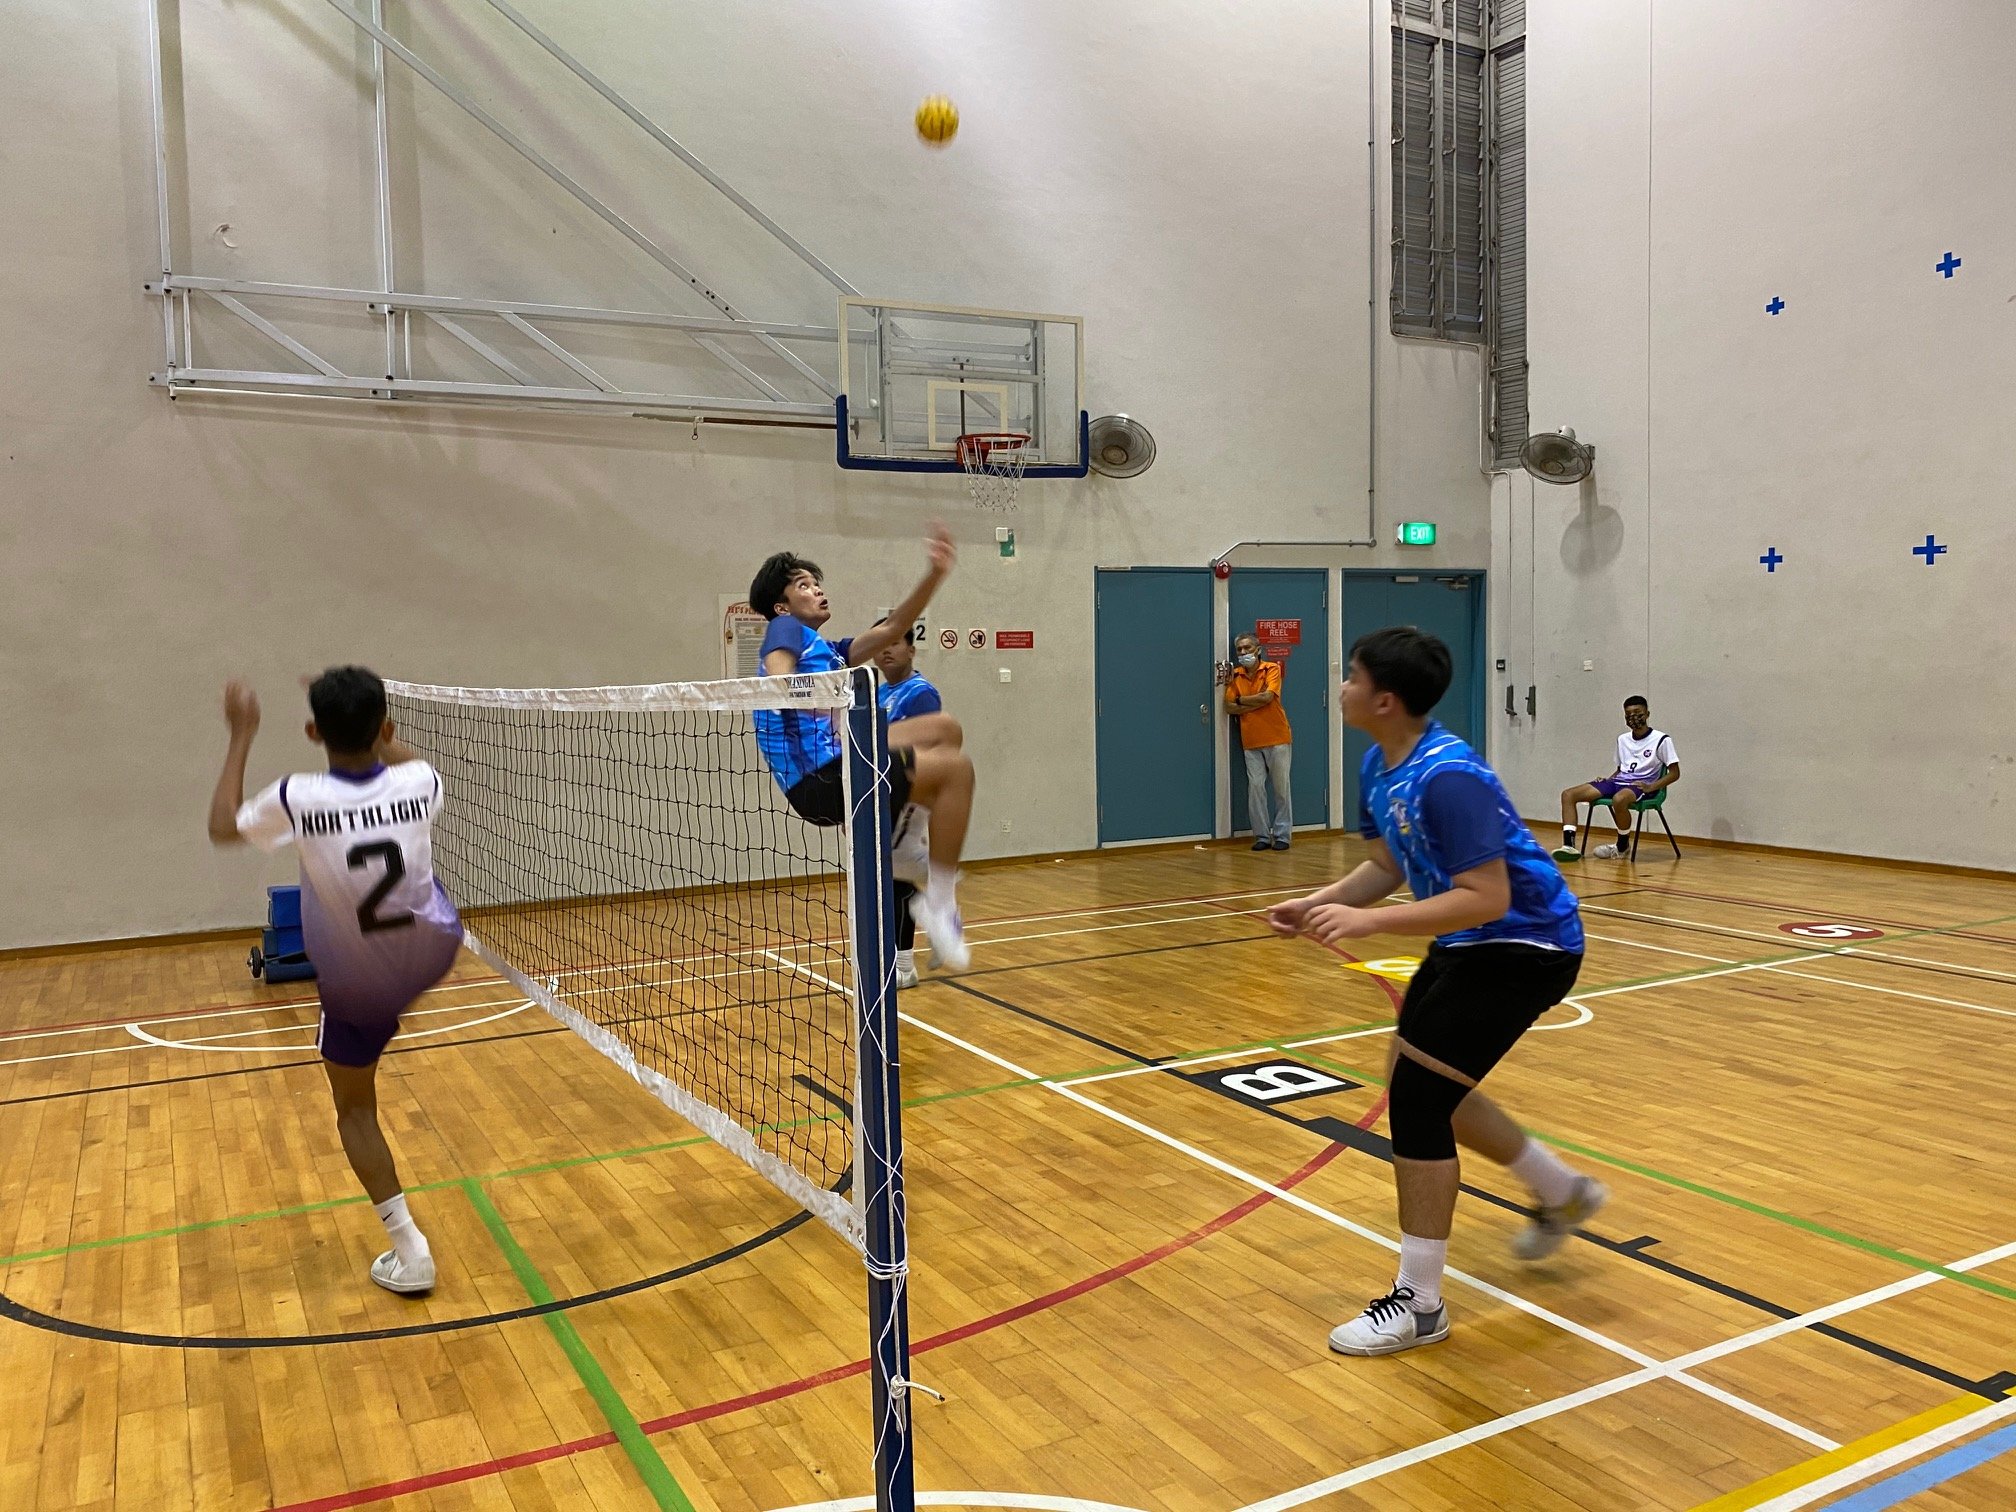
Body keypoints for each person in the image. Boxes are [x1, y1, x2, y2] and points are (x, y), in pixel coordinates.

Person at [1268, 626, 1605, 1358]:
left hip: (1529, 945)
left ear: (1384, 699)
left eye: (1352, 676)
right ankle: (1561, 1192)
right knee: (1415, 1081)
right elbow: (1389, 865)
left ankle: (1419, 1305)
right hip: (1471, 943)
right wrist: (1319, 901)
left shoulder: (1449, 776)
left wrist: (1368, 923)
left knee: (1419, 1102)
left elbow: (1487, 895)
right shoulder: (1379, 763)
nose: (1343, 685)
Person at [208, 667, 463, 1296]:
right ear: (387, 727)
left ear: (312, 731)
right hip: (432, 948)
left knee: (354, 1107)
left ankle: (411, 1252)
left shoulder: (299, 796)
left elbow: (222, 827)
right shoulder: (421, 780)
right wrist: (378, 726)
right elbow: (406, 760)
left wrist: (241, 732)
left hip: (363, 978)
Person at [749, 524, 976, 969]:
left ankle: (905, 847)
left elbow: (894, 626)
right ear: (783, 605)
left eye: (816, 583)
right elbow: (778, 675)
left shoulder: (828, 650)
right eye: (803, 585)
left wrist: (935, 574)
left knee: (945, 730)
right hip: (820, 780)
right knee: (956, 770)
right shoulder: (785, 629)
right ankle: (940, 903)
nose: (817, 590)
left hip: (841, 760)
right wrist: (802, 695)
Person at [873, 619, 942, 989]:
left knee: (901, 882)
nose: (886, 649)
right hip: (880, 798)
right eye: (881, 643)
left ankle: (904, 965)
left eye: (895, 643)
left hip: (907, 800)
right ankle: (890, 957)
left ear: (912, 650)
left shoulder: (920, 693)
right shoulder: (879, 695)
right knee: (884, 882)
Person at [1553, 695, 1681, 861]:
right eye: (1628, 714)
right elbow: (1621, 769)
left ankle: (1622, 846)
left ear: (1647, 714)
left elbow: (1675, 773)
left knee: (1619, 799)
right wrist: (1607, 779)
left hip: (1641, 785)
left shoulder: (1662, 739)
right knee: (1568, 794)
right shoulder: (1623, 739)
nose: (1633, 717)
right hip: (1618, 781)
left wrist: (1651, 787)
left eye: (1638, 713)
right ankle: (1569, 846)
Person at [1225, 632, 1293, 851]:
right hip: (1251, 740)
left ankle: (1282, 835)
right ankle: (1262, 836)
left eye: (1247, 648)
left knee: (1281, 789)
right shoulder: (1235, 676)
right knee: (1255, 788)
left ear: (1258, 649)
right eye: (1239, 650)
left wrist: (1241, 701)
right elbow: (1229, 707)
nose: (1243, 653)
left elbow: (1268, 697)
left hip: (1277, 737)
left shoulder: (1271, 669)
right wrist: (1248, 703)